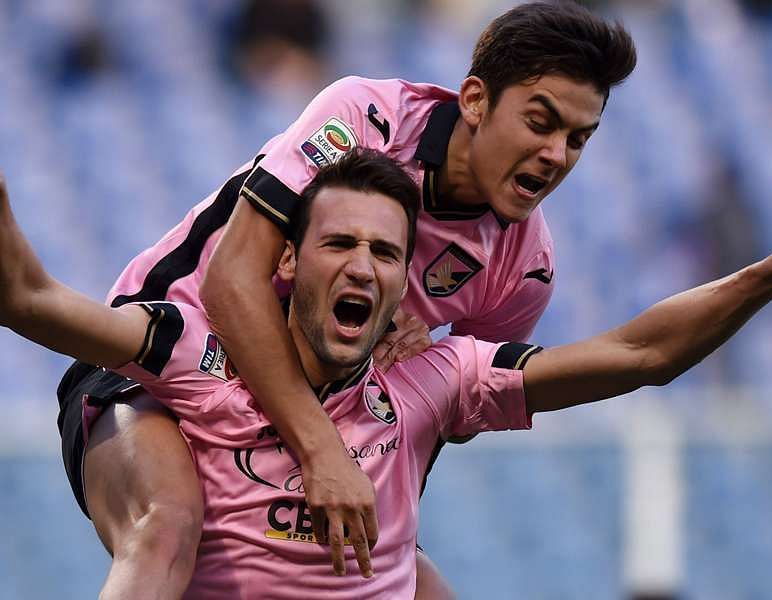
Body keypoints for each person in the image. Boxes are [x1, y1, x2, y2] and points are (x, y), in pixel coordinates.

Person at [4, 150, 772, 598]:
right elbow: (31, 300)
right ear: (287, 259)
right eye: (339, 244)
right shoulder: (197, 355)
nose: (363, 265)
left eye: (385, 252)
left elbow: (640, 356)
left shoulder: (435, 379)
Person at [55, 2, 637, 597]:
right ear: (475, 101)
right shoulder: (367, 117)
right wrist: (321, 451)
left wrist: (415, 354)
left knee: (421, 587)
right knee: (168, 524)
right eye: (541, 123)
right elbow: (230, 282)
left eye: (577, 139)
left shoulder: (524, 269)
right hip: (157, 374)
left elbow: (449, 410)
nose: (556, 154)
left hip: (303, 422)